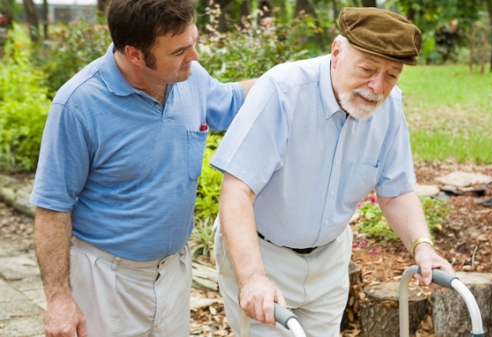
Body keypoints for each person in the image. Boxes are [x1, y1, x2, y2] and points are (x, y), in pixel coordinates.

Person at [210, 7, 454, 336]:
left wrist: (423, 246)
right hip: (263, 253)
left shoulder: (390, 106)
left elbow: (395, 191)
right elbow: (236, 190)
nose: (377, 87)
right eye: (367, 69)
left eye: (391, 75)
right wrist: (253, 277)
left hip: (330, 260)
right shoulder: (282, 91)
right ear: (336, 52)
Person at [29, 0, 256, 336]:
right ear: (135, 54)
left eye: (193, 42)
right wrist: (59, 299)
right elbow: (52, 207)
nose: (193, 57)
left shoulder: (189, 77)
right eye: (179, 50)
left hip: (174, 272)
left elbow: (234, 101)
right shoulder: (78, 104)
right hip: (106, 281)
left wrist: (298, 80)